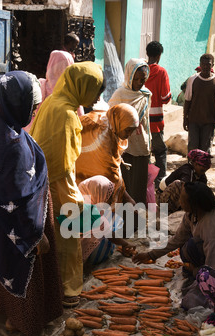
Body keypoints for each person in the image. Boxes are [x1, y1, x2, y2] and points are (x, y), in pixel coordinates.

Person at [0, 71, 64, 335]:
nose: (33, 113)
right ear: (15, 104)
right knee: (25, 268)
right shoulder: (14, 145)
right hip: (21, 223)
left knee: (4, 262)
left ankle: (10, 313)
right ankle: (26, 321)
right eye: (31, 107)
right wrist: (35, 235)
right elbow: (20, 199)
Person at [30, 62, 105, 307]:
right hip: (56, 184)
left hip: (39, 180)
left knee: (49, 237)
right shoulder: (67, 114)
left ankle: (50, 287)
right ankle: (67, 291)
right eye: (95, 90)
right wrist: (74, 196)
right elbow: (62, 164)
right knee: (67, 237)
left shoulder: (52, 101)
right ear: (82, 86)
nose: (96, 97)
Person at [133, 182, 215, 274]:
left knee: (192, 245)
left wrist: (197, 272)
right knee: (185, 247)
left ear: (194, 204)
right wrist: (151, 255)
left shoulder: (214, 225)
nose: (179, 201)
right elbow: (177, 239)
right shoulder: (192, 214)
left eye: (182, 199)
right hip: (212, 253)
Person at [76, 103, 139, 205]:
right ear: (119, 122)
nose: (129, 135)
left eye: (132, 131)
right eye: (127, 130)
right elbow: (110, 174)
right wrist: (127, 198)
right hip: (83, 176)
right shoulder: (104, 136)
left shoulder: (110, 119)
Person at [108, 58, 152, 206]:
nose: (140, 83)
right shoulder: (119, 95)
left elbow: (146, 123)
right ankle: (124, 221)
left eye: (143, 79)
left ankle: (136, 221)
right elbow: (111, 118)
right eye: (137, 79)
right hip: (124, 146)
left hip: (141, 144)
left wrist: (149, 142)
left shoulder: (145, 94)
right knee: (125, 183)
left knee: (139, 183)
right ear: (129, 77)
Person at [78, 176, 135, 264]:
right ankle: (94, 257)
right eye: (108, 196)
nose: (110, 200)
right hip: (78, 249)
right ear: (97, 192)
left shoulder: (82, 197)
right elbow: (108, 232)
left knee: (113, 219)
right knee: (106, 230)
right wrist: (125, 244)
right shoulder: (87, 210)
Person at [183, 54, 215, 154]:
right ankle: (192, 169)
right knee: (193, 148)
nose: (206, 66)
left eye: (208, 64)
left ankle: (202, 169)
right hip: (194, 120)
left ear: (212, 65)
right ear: (200, 65)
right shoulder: (192, 79)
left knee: (205, 148)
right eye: (203, 64)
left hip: (209, 121)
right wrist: (185, 119)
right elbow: (187, 101)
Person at [145, 41, 171, 192]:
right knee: (160, 151)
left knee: (145, 153)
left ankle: (146, 182)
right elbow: (165, 98)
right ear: (159, 55)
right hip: (156, 121)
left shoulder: (139, 69)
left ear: (147, 53)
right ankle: (160, 184)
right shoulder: (161, 72)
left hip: (141, 121)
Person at [157, 150, 212, 214]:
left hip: (176, 198)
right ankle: (171, 210)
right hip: (163, 198)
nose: (204, 172)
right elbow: (186, 190)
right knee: (180, 185)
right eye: (202, 169)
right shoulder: (186, 171)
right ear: (195, 164)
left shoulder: (201, 174)